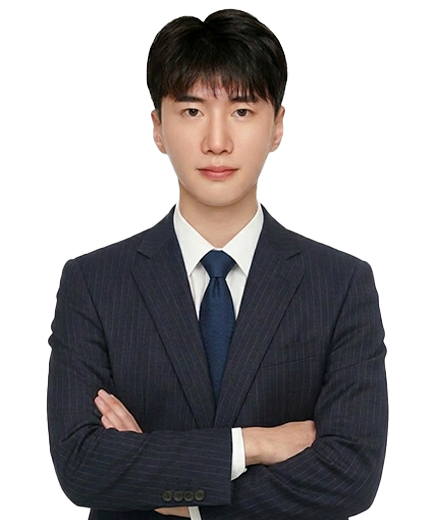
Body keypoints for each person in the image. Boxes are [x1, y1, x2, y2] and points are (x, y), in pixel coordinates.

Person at [47, 8, 388, 520]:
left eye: (242, 111)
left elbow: (351, 476)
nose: (217, 141)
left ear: (278, 126)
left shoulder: (340, 285)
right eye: (191, 111)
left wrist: (184, 500)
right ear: (157, 128)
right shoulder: (94, 283)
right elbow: (81, 466)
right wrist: (252, 444)